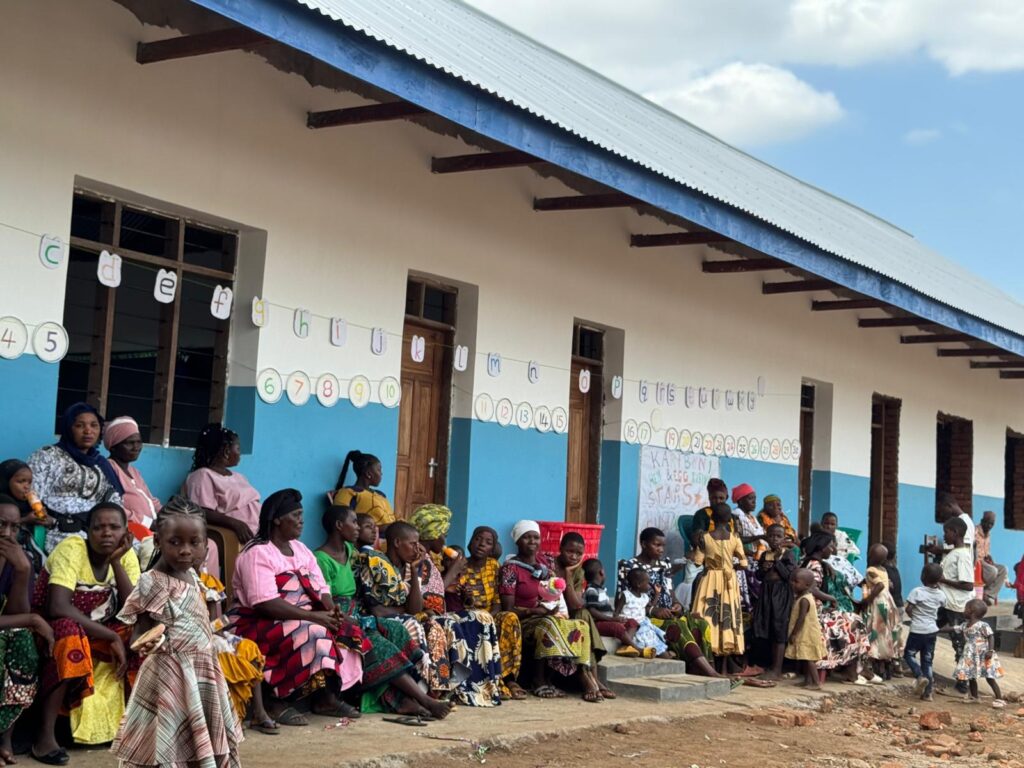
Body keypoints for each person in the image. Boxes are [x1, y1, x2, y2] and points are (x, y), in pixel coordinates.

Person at [111, 497, 242, 768]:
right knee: (168, 748)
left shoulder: (192, 575)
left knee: (201, 743)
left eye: (194, 543)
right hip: (171, 674)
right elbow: (139, 634)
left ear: (206, 545)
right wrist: (149, 643)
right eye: (175, 542)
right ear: (158, 541)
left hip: (202, 669)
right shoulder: (153, 583)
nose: (185, 551)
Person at [230, 489, 366, 727]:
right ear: (277, 519)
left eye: (302, 515)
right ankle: (275, 700)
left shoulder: (301, 550)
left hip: (299, 615)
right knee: (313, 632)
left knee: (349, 631)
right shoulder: (258, 552)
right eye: (296, 515)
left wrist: (332, 612)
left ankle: (325, 698)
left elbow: (321, 587)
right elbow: (264, 603)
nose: (302, 521)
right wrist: (315, 617)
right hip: (258, 620)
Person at [315, 504, 449, 719]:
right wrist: (352, 620)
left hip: (356, 611)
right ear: (339, 525)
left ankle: (409, 697)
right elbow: (325, 602)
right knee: (378, 645)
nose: (358, 528)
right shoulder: (321, 559)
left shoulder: (351, 552)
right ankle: (421, 700)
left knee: (397, 630)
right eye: (354, 522)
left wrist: (412, 567)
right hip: (338, 614)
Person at [33, 501, 140, 761]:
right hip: (51, 626)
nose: (106, 533)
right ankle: (44, 738)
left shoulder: (126, 555)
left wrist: (116, 562)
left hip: (97, 629)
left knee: (144, 638)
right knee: (70, 636)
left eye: (114, 527)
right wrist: (110, 636)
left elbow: (133, 609)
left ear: (126, 533)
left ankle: (137, 726)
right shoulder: (72, 548)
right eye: (98, 528)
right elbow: (58, 607)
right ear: (88, 532)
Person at [407, 505, 503, 707]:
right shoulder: (417, 557)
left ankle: (484, 683)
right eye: (443, 534)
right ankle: (458, 686)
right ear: (434, 534)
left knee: (482, 618)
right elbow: (429, 595)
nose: (444, 540)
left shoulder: (429, 557)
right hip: (423, 614)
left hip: (437, 611)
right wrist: (454, 571)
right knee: (454, 623)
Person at [352, 522, 451, 717]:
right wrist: (404, 609)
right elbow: (377, 610)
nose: (417, 549)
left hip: (391, 617)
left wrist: (414, 570)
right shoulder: (375, 562)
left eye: (418, 544)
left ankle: (425, 693)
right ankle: (419, 696)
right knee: (412, 624)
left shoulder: (404, 569)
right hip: (367, 618)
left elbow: (414, 608)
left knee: (429, 624)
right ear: (397, 542)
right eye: (412, 544)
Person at [499, 520, 603, 702]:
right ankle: (538, 680)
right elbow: (508, 608)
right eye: (526, 537)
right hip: (524, 618)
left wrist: (553, 605)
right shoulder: (510, 568)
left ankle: (580, 674)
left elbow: (559, 587)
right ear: (517, 541)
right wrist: (535, 611)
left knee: (580, 625)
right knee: (549, 624)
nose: (532, 541)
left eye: (536, 537)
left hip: (547, 613)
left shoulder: (545, 562)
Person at [617, 528, 719, 671]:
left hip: (669, 612)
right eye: (656, 545)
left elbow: (669, 590)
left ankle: (707, 667)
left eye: (663, 546)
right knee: (677, 626)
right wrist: (653, 610)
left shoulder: (664, 564)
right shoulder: (629, 566)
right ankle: (709, 672)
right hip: (647, 618)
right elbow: (624, 600)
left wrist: (676, 604)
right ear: (644, 544)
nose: (661, 549)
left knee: (702, 624)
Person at [28, 403, 124, 553]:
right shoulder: (47, 456)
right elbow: (32, 494)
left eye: (94, 425)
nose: (88, 431)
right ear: (68, 428)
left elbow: (114, 499)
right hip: (60, 527)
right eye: (79, 426)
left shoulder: (100, 464)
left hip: (98, 528)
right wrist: (47, 519)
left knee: (135, 548)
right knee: (80, 551)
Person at [0, 495, 50, 764]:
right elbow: (24, 617)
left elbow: (16, 615)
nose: (7, 533)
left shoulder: (19, 560)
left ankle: (5, 735)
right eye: (0, 524)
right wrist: (32, 619)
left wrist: (22, 571)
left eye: (15, 527)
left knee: (23, 643)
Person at [450, 526, 526, 700]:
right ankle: (488, 683)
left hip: (490, 614)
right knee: (476, 619)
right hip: (467, 615)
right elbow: (457, 602)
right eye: (477, 539)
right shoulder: (459, 566)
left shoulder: (493, 566)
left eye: (488, 542)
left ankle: (508, 678)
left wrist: (489, 618)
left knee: (510, 618)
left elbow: (498, 601)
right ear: (470, 543)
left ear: (492, 549)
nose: (481, 544)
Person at [800, 531, 867, 683]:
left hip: (818, 608)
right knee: (852, 624)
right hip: (813, 610)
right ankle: (848, 670)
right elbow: (811, 588)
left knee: (853, 622)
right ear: (821, 547)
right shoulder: (814, 565)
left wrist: (826, 564)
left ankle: (850, 670)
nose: (833, 549)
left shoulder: (818, 563)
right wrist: (831, 599)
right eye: (830, 546)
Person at [184, 424, 260, 547]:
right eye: (238, 448)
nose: (240, 453)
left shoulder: (239, 476)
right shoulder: (203, 475)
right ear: (226, 451)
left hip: (260, 528)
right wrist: (235, 523)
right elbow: (201, 511)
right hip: (243, 534)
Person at [691, 503, 747, 665]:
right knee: (728, 615)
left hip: (709, 579)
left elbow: (697, 561)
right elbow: (744, 563)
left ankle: (707, 655)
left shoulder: (704, 537)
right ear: (729, 519)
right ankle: (725, 663)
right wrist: (731, 567)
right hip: (729, 580)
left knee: (707, 613)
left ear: (712, 518)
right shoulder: (735, 538)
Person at [103, 417, 161, 532]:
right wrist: (148, 523)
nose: (136, 447)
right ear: (113, 447)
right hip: (129, 532)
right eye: (130, 443)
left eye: (139, 442)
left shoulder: (134, 471)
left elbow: (151, 500)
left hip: (149, 530)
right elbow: (112, 507)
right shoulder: (108, 469)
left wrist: (168, 514)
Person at [753, 524, 796, 680]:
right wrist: (763, 569)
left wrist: (777, 561)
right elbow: (759, 576)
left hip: (781, 595)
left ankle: (777, 669)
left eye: (778, 536)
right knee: (768, 628)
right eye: (771, 536)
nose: (774, 539)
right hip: (767, 594)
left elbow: (789, 576)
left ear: (784, 538)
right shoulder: (765, 554)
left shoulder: (788, 554)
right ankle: (769, 665)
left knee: (779, 629)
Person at [938, 516, 974, 690]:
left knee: (959, 643)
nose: (944, 535)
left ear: (956, 532)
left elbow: (968, 585)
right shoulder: (954, 553)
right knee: (926, 629)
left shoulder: (963, 556)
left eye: (946, 532)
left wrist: (943, 580)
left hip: (956, 606)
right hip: (946, 603)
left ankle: (963, 681)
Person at [0, 459, 53, 573]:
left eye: (29, 482)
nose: (26, 487)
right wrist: (25, 520)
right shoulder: (2, 503)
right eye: (21, 481)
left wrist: (46, 519)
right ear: (6, 480)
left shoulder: (29, 505)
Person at [582, 558, 641, 656]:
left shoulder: (601, 590)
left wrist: (616, 617)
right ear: (601, 572)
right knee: (617, 627)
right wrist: (612, 619)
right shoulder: (592, 590)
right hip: (597, 624)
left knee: (632, 622)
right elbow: (592, 611)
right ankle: (637, 648)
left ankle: (625, 647)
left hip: (608, 621)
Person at [952, 598, 1005, 707]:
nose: (963, 611)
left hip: (984, 655)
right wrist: (935, 629)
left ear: (971, 611)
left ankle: (999, 699)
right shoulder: (964, 625)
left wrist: (990, 650)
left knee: (989, 677)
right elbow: (952, 628)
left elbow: (990, 636)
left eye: (965, 608)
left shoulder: (982, 625)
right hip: (970, 655)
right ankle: (975, 697)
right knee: (971, 676)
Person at [904, 563, 945, 701]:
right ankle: (928, 694)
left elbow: (908, 609)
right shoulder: (941, 594)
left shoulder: (917, 592)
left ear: (922, 576)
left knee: (909, 654)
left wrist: (914, 617)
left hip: (917, 630)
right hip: (931, 631)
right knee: (927, 661)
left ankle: (919, 675)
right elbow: (941, 607)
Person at [861, 544, 902, 680]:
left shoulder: (870, 570)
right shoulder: (883, 569)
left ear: (870, 556)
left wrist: (867, 599)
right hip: (889, 603)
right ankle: (888, 664)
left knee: (875, 631)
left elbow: (879, 585)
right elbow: (870, 584)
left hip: (878, 603)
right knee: (886, 633)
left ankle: (876, 661)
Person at [616, 568, 672, 659]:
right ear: (638, 584)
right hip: (633, 627)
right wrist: (616, 620)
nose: (650, 586)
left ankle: (665, 652)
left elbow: (651, 606)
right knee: (647, 644)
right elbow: (617, 611)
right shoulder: (626, 595)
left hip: (644, 625)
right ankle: (635, 649)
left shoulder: (644, 597)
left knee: (657, 644)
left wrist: (657, 594)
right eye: (647, 583)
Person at [334, 451, 394, 535]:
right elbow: (343, 522)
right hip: (373, 537)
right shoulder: (348, 492)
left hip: (393, 535)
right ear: (369, 474)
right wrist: (386, 528)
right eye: (379, 470)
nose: (381, 473)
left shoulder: (381, 494)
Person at [786, 568, 825, 690]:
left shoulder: (804, 600)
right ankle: (808, 681)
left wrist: (793, 634)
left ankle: (816, 683)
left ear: (807, 585)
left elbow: (801, 618)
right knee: (805, 657)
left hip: (807, 634)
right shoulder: (804, 597)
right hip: (805, 633)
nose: (793, 584)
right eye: (792, 581)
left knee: (809, 660)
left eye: (796, 582)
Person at [975, 511, 1008, 605]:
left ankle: (988, 594)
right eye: (988, 523)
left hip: (985, 562)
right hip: (976, 562)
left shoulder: (988, 534)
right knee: (993, 571)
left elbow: (987, 552)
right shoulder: (974, 531)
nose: (989, 526)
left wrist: (990, 558)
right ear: (982, 521)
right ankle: (982, 592)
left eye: (992, 524)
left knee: (1003, 569)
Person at [689, 479, 731, 546]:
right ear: (709, 498)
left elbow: (738, 538)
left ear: (726, 498)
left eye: (721, 498)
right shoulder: (701, 514)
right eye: (714, 498)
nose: (718, 501)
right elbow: (697, 538)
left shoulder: (731, 516)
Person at [732, 483, 766, 560]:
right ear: (741, 501)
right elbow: (737, 539)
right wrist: (761, 537)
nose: (754, 502)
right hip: (742, 556)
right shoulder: (736, 515)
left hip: (755, 554)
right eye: (750, 498)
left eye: (755, 499)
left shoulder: (751, 516)